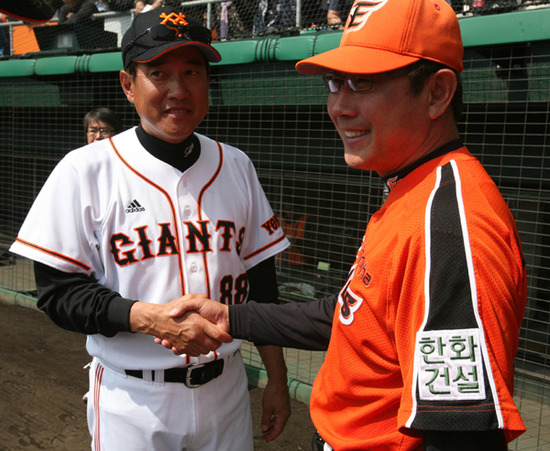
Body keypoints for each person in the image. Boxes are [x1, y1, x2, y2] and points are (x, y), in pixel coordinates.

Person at [158, 0, 528, 449]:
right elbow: (354, 316)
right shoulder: (413, 187)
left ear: (437, 93)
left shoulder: (450, 226)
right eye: (335, 82)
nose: (338, 106)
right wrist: (231, 316)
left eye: (364, 82)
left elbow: (462, 433)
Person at [10, 7, 291, 450]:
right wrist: (150, 319)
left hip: (229, 391)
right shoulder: (85, 170)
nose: (178, 90)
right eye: (158, 73)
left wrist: (277, 377)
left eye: (192, 72)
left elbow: (262, 286)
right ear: (128, 84)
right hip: (134, 398)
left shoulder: (236, 165)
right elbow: (58, 294)